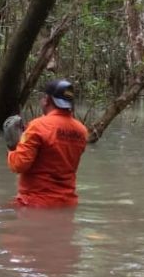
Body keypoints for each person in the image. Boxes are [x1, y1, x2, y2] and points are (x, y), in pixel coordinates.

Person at [7, 79, 88, 208]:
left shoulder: (37, 126)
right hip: (68, 203)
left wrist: (12, 147)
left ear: (47, 100)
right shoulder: (82, 131)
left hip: (34, 203)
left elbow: (18, 165)